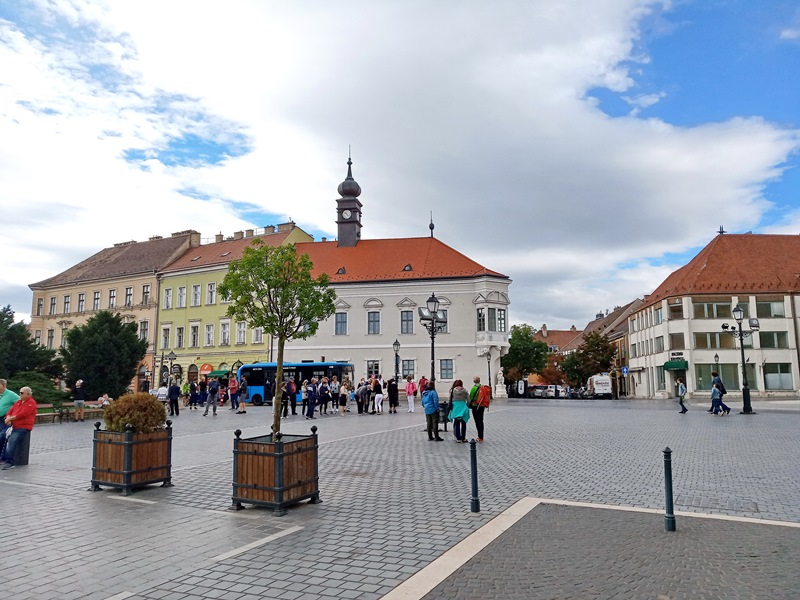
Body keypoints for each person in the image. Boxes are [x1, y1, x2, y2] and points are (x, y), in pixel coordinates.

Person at [0, 386, 37, 469]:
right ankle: (2, 458)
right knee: (2, 436)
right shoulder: (18, 402)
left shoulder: (31, 403)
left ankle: (10, 462)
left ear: (28, 394)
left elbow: (23, 414)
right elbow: (10, 411)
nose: (20, 394)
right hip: (13, 425)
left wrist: (10, 418)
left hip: (23, 426)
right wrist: (8, 418)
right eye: (20, 392)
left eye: (22, 393)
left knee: (12, 440)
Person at [0, 379, 21, 458]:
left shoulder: (11, 394)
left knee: (2, 437)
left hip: (4, 419)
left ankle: (2, 457)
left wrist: (11, 415)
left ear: (4, 386)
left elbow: (20, 404)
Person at [468, 376, 486, 442]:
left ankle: (480, 436)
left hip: (475, 406)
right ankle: (482, 436)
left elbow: (470, 397)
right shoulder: (483, 387)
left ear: (474, 381)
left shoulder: (474, 388)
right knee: (481, 420)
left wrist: (468, 405)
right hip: (482, 405)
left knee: (477, 421)